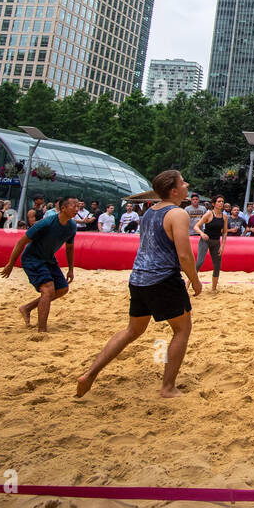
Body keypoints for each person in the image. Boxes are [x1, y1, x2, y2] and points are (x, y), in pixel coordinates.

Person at [77, 169, 200, 399]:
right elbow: (184, 256)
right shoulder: (177, 214)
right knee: (182, 329)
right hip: (163, 279)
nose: (187, 185)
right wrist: (195, 281)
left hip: (138, 279)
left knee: (132, 330)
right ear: (174, 191)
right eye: (183, 183)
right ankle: (168, 388)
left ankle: (90, 373)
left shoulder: (149, 213)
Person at [1, 197, 81, 332]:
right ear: (63, 208)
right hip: (32, 258)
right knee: (48, 289)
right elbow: (21, 242)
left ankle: (27, 308)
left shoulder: (71, 226)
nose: (77, 210)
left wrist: (71, 269)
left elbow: (69, 248)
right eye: (74, 206)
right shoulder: (46, 223)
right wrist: (11, 264)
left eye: (78, 206)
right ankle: (42, 331)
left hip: (48, 258)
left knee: (62, 289)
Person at [194, 195, 227, 292]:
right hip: (205, 240)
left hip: (216, 242)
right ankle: (188, 283)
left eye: (222, 201)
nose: (221, 203)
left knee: (217, 265)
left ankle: (213, 289)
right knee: (199, 262)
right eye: (219, 201)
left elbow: (224, 232)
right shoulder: (209, 214)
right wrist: (202, 233)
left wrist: (222, 246)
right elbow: (196, 226)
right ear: (214, 204)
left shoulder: (224, 217)